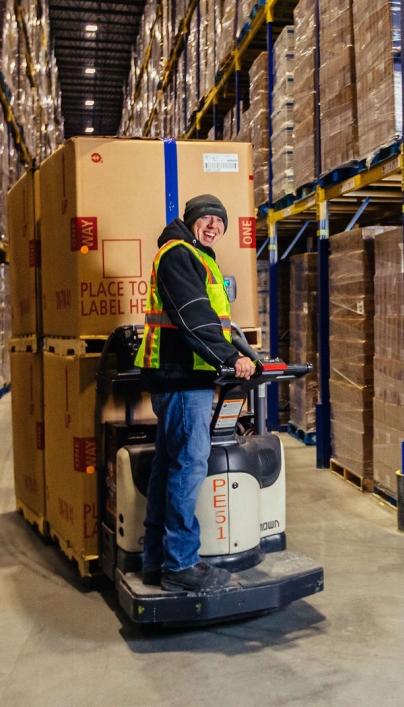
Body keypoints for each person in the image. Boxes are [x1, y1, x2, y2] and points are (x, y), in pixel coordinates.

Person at [135, 194, 256, 592]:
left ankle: (156, 559)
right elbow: (193, 313)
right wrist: (228, 356)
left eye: (219, 223)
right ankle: (182, 564)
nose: (214, 227)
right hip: (182, 375)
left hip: (186, 373)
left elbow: (218, 322)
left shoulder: (198, 257)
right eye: (207, 219)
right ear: (191, 221)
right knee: (190, 464)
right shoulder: (178, 254)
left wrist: (240, 353)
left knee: (169, 464)